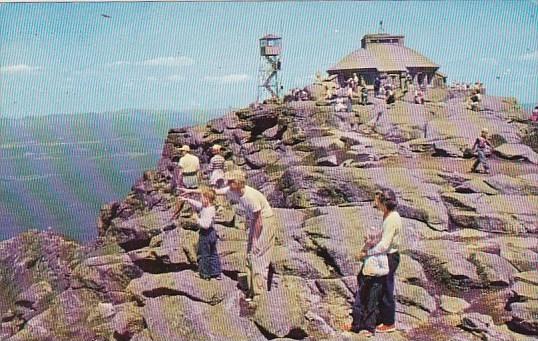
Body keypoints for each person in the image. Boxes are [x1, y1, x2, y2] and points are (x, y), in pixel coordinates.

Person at [181, 170, 276, 303]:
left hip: (264, 222)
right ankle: (250, 289)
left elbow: (259, 220)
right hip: (255, 222)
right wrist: (191, 191)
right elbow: (213, 192)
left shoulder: (249, 196)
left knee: (258, 257)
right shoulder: (233, 190)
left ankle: (259, 297)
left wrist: (254, 240)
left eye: (230, 182)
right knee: (249, 255)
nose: (227, 184)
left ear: (238, 182)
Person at [360, 189, 401, 334]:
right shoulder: (390, 215)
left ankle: (389, 322)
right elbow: (384, 236)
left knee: (386, 288)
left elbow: (384, 244)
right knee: (383, 287)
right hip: (387, 254)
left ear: (384, 203)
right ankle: (380, 316)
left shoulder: (391, 219)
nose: (375, 204)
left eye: (377, 201)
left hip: (390, 257)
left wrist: (368, 253)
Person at [344, 226, 389, 337]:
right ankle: (356, 325)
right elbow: (358, 257)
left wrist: (376, 272)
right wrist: (365, 249)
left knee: (371, 304)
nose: (365, 240)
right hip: (365, 279)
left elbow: (386, 270)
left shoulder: (381, 254)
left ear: (375, 240)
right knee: (358, 303)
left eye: (368, 238)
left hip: (375, 281)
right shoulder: (367, 249)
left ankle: (369, 328)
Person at [177, 188, 222, 280]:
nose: (200, 199)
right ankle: (216, 272)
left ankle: (204, 274)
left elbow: (205, 225)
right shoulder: (209, 207)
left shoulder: (209, 211)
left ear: (207, 199)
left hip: (206, 234)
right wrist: (187, 200)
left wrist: (196, 218)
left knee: (203, 254)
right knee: (213, 253)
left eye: (201, 197)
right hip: (212, 233)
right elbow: (198, 204)